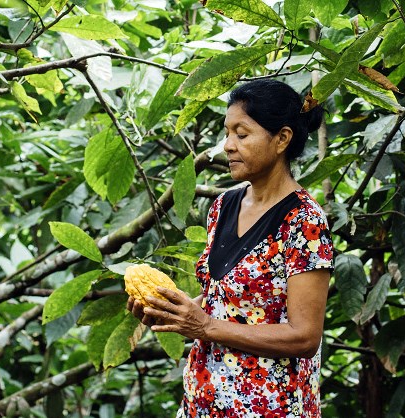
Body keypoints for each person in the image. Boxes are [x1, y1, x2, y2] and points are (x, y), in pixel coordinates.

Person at [127, 79, 334, 417]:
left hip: (269, 406)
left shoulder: (304, 221)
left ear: (282, 138)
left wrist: (205, 326)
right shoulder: (224, 205)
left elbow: (305, 337)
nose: (227, 145)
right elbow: (223, 304)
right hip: (204, 401)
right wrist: (171, 312)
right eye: (227, 133)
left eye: (242, 134)